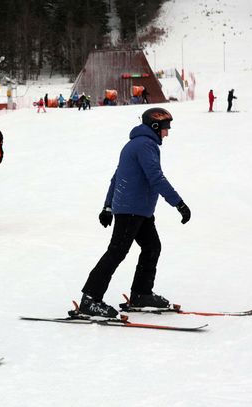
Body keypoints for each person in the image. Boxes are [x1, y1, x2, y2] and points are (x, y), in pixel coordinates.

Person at [78, 108, 191, 318]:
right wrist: (179, 203)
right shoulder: (145, 145)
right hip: (132, 209)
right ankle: (90, 299)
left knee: (151, 247)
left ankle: (141, 294)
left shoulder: (134, 144)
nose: (167, 133)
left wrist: (108, 207)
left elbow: (116, 176)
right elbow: (156, 178)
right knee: (117, 251)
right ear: (155, 126)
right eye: (166, 128)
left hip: (140, 210)